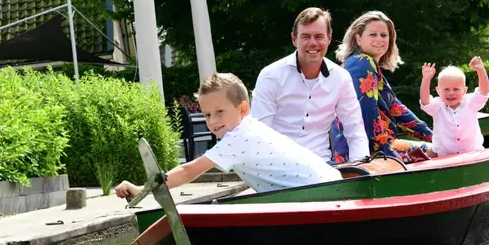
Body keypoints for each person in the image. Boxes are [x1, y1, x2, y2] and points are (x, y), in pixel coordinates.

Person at [114, 73, 342, 198]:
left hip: (319, 194)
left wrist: (141, 189)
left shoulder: (239, 138)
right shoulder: (251, 128)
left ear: (243, 110)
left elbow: (189, 169)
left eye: (220, 112)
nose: (212, 121)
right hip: (327, 185)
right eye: (207, 114)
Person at [252, 7, 369, 162]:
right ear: (294, 39)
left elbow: (355, 131)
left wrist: (360, 168)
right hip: (279, 165)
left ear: (329, 38)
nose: (313, 43)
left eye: (319, 36)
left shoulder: (341, 78)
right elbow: (260, 134)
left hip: (323, 165)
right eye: (306, 37)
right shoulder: (270, 76)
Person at [330, 11, 433, 164]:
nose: (379, 39)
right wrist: (385, 150)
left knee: (437, 145)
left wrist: (433, 135)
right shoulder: (362, 62)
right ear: (358, 38)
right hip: (366, 152)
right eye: (373, 34)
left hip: (358, 150)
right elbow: (365, 110)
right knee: (438, 150)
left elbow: (397, 109)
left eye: (384, 35)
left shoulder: (358, 63)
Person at [419, 57, 489, 157]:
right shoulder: (437, 106)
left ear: (464, 91)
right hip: (444, 158)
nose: (451, 93)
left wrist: (481, 70)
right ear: (438, 91)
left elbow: (484, 92)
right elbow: (425, 101)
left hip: (473, 154)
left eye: (456, 89)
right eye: (446, 89)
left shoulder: (471, 102)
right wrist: (426, 79)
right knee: (428, 154)